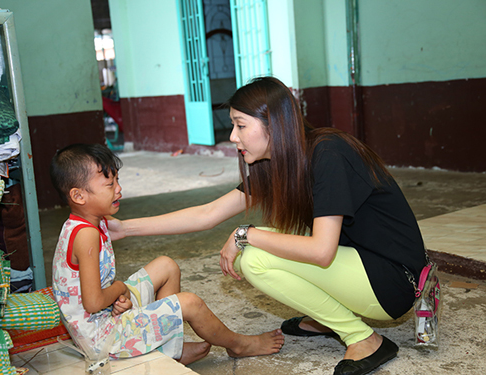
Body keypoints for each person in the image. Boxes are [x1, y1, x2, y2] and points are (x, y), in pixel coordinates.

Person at [108, 76, 427, 375]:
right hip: (362, 265)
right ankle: (330, 317)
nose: (232, 136)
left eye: (240, 125)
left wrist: (246, 234)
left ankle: (363, 338)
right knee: (266, 245)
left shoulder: (328, 152)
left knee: (255, 256)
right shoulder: (278, 163)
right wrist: (125, 228)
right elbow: (208, 213)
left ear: (273, 124)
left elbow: (321, 251)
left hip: (394, 281)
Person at [49, 143, 285, 365]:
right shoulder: (85, 235)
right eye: (110, 185)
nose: (119, 189)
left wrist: (117, 297)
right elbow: (93, 303)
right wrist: (120, 289)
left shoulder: (88, 220)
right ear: (79, 196)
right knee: (190, 303)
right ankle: (239, 345)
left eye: (117, 180)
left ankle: (169, 349)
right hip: (103, 337)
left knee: (166, 265)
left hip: (106, 314)